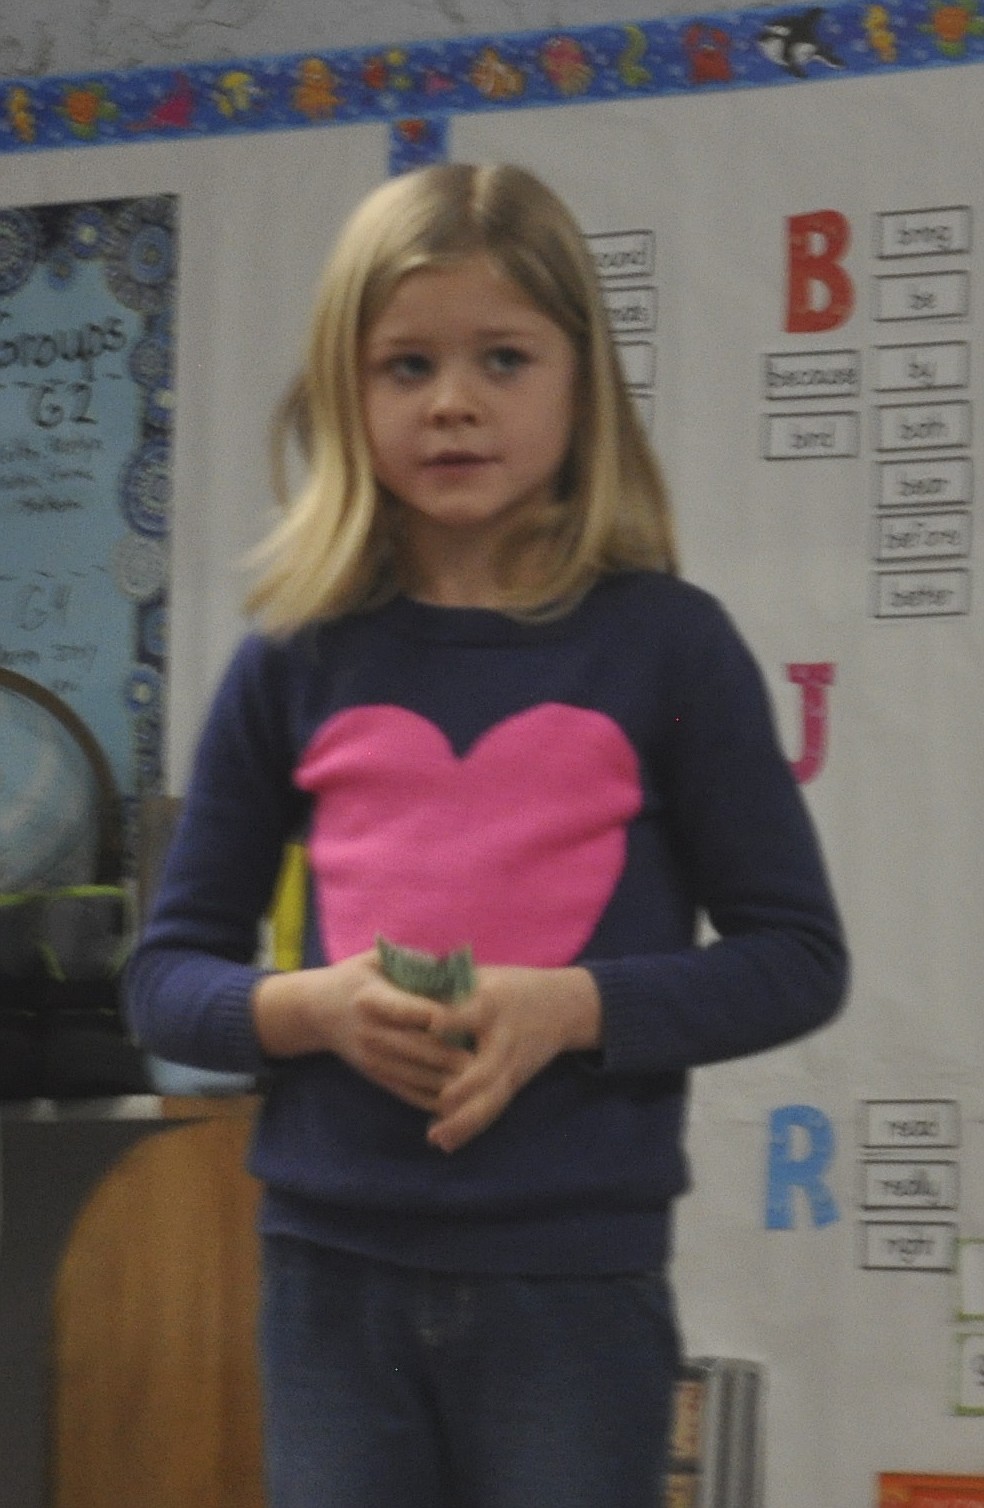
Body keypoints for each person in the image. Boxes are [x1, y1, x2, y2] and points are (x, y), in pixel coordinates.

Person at [127, 162, 848, 1508]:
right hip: (325, 1280)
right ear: (350, 394)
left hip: (574, 1288)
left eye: (502, 358)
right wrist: (315, 1011)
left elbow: (798, 957)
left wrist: (568, 1007)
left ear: (582, 386)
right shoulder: (296, 657)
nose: (452, 399)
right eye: (406, 365)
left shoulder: (669, 648)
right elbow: (166, 981)